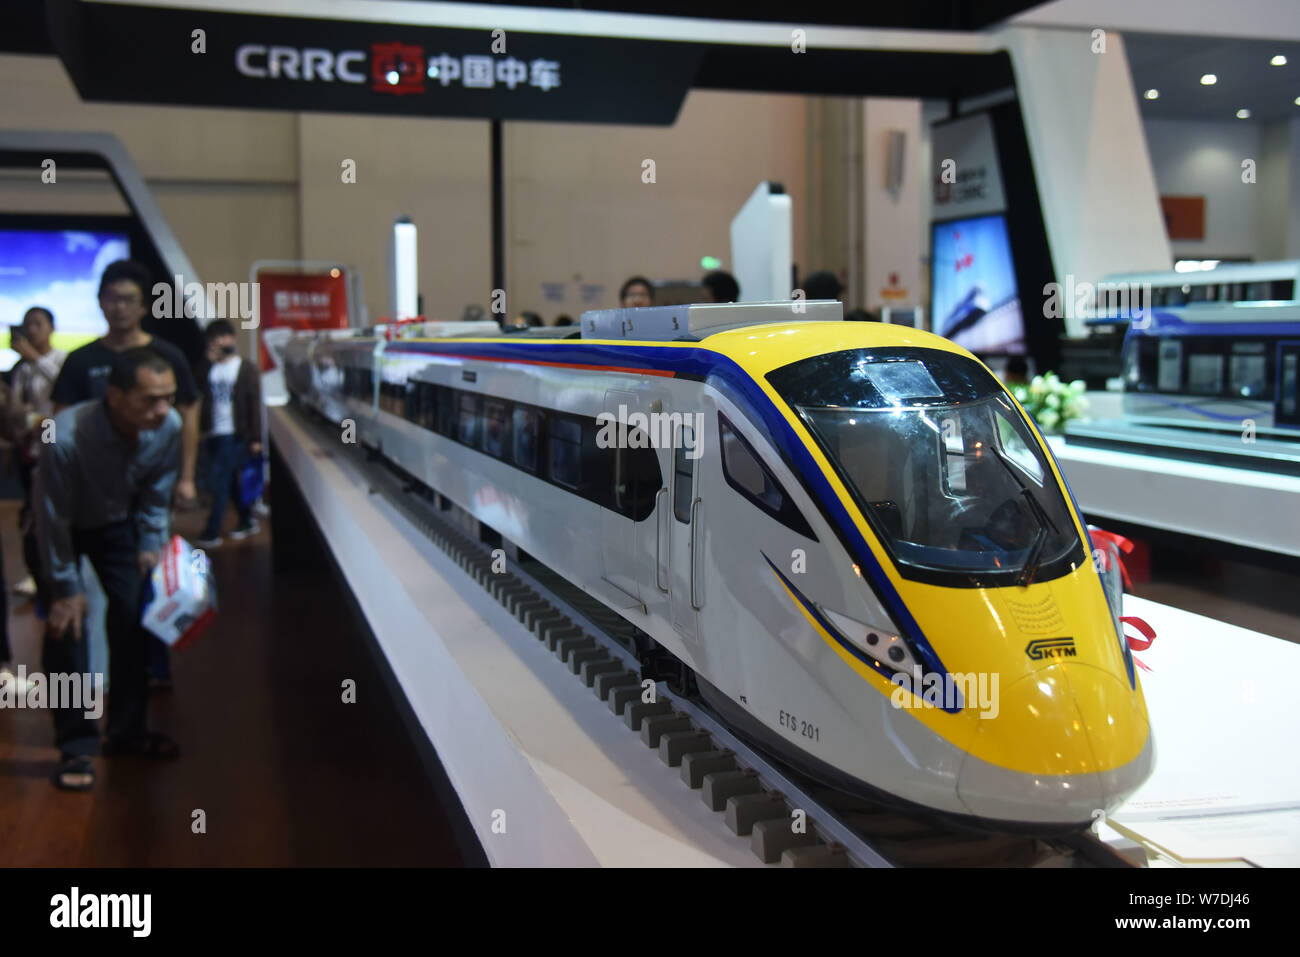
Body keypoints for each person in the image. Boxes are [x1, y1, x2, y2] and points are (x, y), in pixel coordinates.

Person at [36, 347, 183, 790]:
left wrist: (151, 543)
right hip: (57, 529)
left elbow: (158, 493)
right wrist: (64, 588)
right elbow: (50, 516)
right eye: (150, 399)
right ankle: (76, 746)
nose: (162, 410)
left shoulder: (169, 427)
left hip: (116, 524)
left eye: (169, 397)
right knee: (68, 628)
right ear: (115, 396)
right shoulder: (62, 436)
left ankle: (126, 732)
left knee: (134, 618)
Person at [50, 260, 200, 506]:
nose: (119, 307)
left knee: (152, 533)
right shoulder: (79, 359)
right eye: (112, 298)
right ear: (100, 302)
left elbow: (189, 412)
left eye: (128, 299)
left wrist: (187, 478)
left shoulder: (168, 356)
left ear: (143, 306)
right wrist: (47, 458)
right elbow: (57, 418)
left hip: (152, 476)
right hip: (92, 479)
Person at [9, 306, 67, 598]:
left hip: (55, 432)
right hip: (31, 438)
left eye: (38, 324)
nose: (31, 330)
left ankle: (57, 570)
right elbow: (17, 407)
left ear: (51, 327)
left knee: (50, 504)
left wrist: (35, 359)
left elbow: (64, 386)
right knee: (31, 508)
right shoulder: (22, 368)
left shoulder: (61, 360)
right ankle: (38, 571)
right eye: (27, 325)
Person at [194, 320, 263, 548]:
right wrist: (206, 361)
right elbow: (195, 387)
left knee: (219, 480)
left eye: (223, 337)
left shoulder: (245, 368)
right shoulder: (209, 367)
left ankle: (212, 530)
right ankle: (246, 519)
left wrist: (256, 438)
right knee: (231, 481)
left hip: (236, 433)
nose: (219, 342)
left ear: (232, 338)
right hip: (214, 430)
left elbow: (255, 405)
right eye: (214, 338)